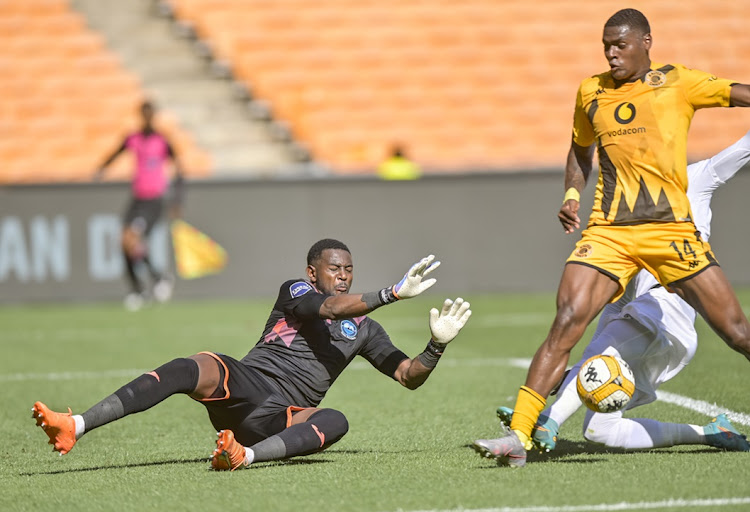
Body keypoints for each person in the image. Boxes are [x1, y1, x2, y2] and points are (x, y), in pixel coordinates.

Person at [472, 8, 750, 467]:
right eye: (606, 45)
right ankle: (521, 433)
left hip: (670, 231)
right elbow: (580, 150)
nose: (611, 52)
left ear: (646, 42)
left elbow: (738, 93)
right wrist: (571, 194)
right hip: (609, 233)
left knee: (737, 332)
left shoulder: (678, 81)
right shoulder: (591, 91)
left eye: (620, 44)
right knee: (566, 319)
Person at [32, 239, 472, 471]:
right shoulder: (296, 291)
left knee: (336, 420)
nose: (342, 276)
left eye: (348, 270)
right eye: (334, 268)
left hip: (279, 418)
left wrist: (437, 345)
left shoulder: (367, 330)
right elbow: (332, 307)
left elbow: (408, 375)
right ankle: (77, 424)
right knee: (195, 364)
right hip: (246, 386)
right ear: (312, 272)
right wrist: (392, 292)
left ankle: (243, 456)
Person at [483, 131, 750, 458]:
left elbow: (743, 148)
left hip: (671, 305)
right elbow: (616, 294)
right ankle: (712, 433)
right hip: (637, 313)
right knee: (600, 431)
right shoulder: (619, 199)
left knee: (606, 346)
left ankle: (546, 421)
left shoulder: (696, 177)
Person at [94, 100, 185, 311]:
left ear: (153, 116)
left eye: (149, 115)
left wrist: (178, 199)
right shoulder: (133, 138)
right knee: (124, 242)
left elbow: (179, 168)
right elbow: (116, 153)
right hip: (137, 198)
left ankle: (153, 281)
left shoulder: (162, 140)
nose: (147, 119)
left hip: (153, 200)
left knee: (132, 240)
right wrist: (101, 169)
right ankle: (146, 286)